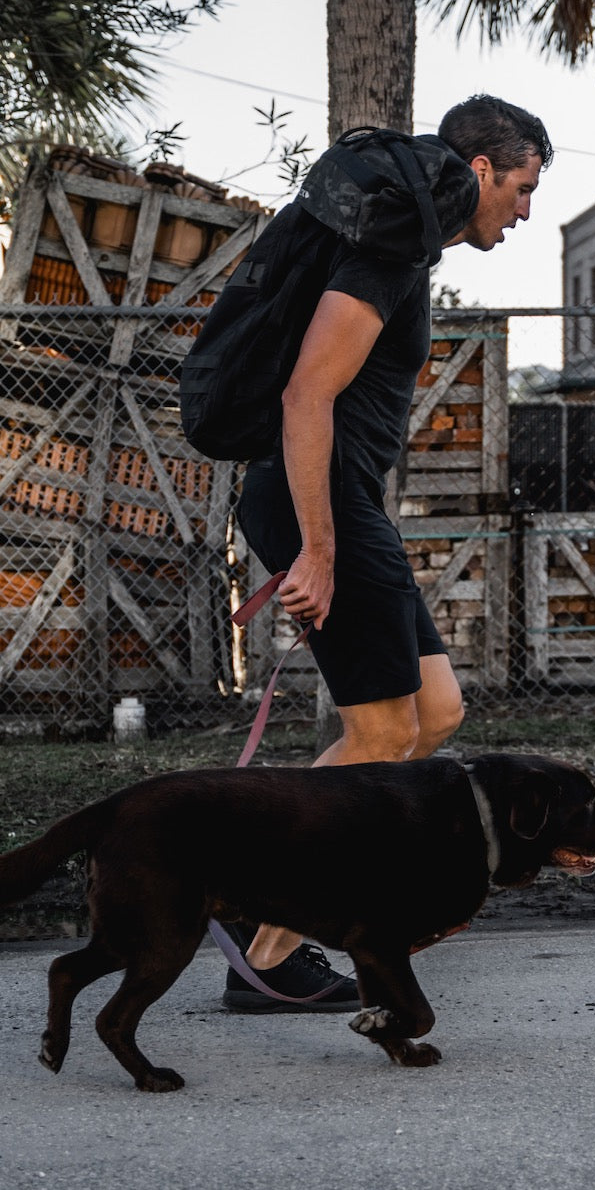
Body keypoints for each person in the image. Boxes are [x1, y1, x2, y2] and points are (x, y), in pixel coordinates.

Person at [224, 94, 554, 1011]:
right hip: (317, 505)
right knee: (379, 732)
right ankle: (262, 943)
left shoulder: (404, 250)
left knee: (434, 711)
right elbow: (304, 398)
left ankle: (262, 917)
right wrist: (319, 550)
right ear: (481, 170)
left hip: (347, 503)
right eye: (522, 188)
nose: (525, 211)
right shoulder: (388, 253)